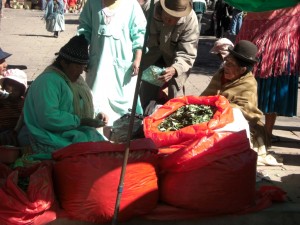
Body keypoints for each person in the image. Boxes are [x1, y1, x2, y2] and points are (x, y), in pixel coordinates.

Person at [21, 35, 108, 156]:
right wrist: (80, 121)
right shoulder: (48, 82)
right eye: (77, 66)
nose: (81, 71)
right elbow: (48, 117)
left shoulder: (76, 80)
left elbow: (86, 101)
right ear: (63, 63)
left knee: (102, 147)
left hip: (71, 131)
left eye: (83, 67)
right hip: (49, 135)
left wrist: (98, 114)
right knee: (85, 151)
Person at [201, 40, 275, 165]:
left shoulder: (249, 83)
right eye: (226, 62)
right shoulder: (220, 75)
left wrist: (219, 105)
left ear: (242, 70)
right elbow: (205, 96)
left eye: (230, 64)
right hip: (214, 117)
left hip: (242, 127)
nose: (225, 66)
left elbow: (246, 112)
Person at [236, 4, 300, 143]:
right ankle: (267, 133)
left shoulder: (258, 5)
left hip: (260, 47)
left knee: (254, 91)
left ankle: (253, 131)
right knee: (272, 91)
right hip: (280, 48)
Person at [78, 0, 146, 126]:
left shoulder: (131, 5)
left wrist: (138, 59)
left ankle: (123, 132)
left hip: (123, 67)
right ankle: (97, 132)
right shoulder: (92, 4)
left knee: (126, 103)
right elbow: (84, 30)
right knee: (95, 99)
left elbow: (140, 34)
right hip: (97, 65)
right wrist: (82, 55)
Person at [140, 0, 199, 111]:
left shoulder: (190, 19)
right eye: (167, 17)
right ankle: (144, 120)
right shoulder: (149, 9)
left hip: (175, 62)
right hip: (150, 58)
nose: (170, 21)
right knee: (146, 97)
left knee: (174, 101)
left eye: (175, 19)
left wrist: (175, 69)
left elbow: (187, 52)